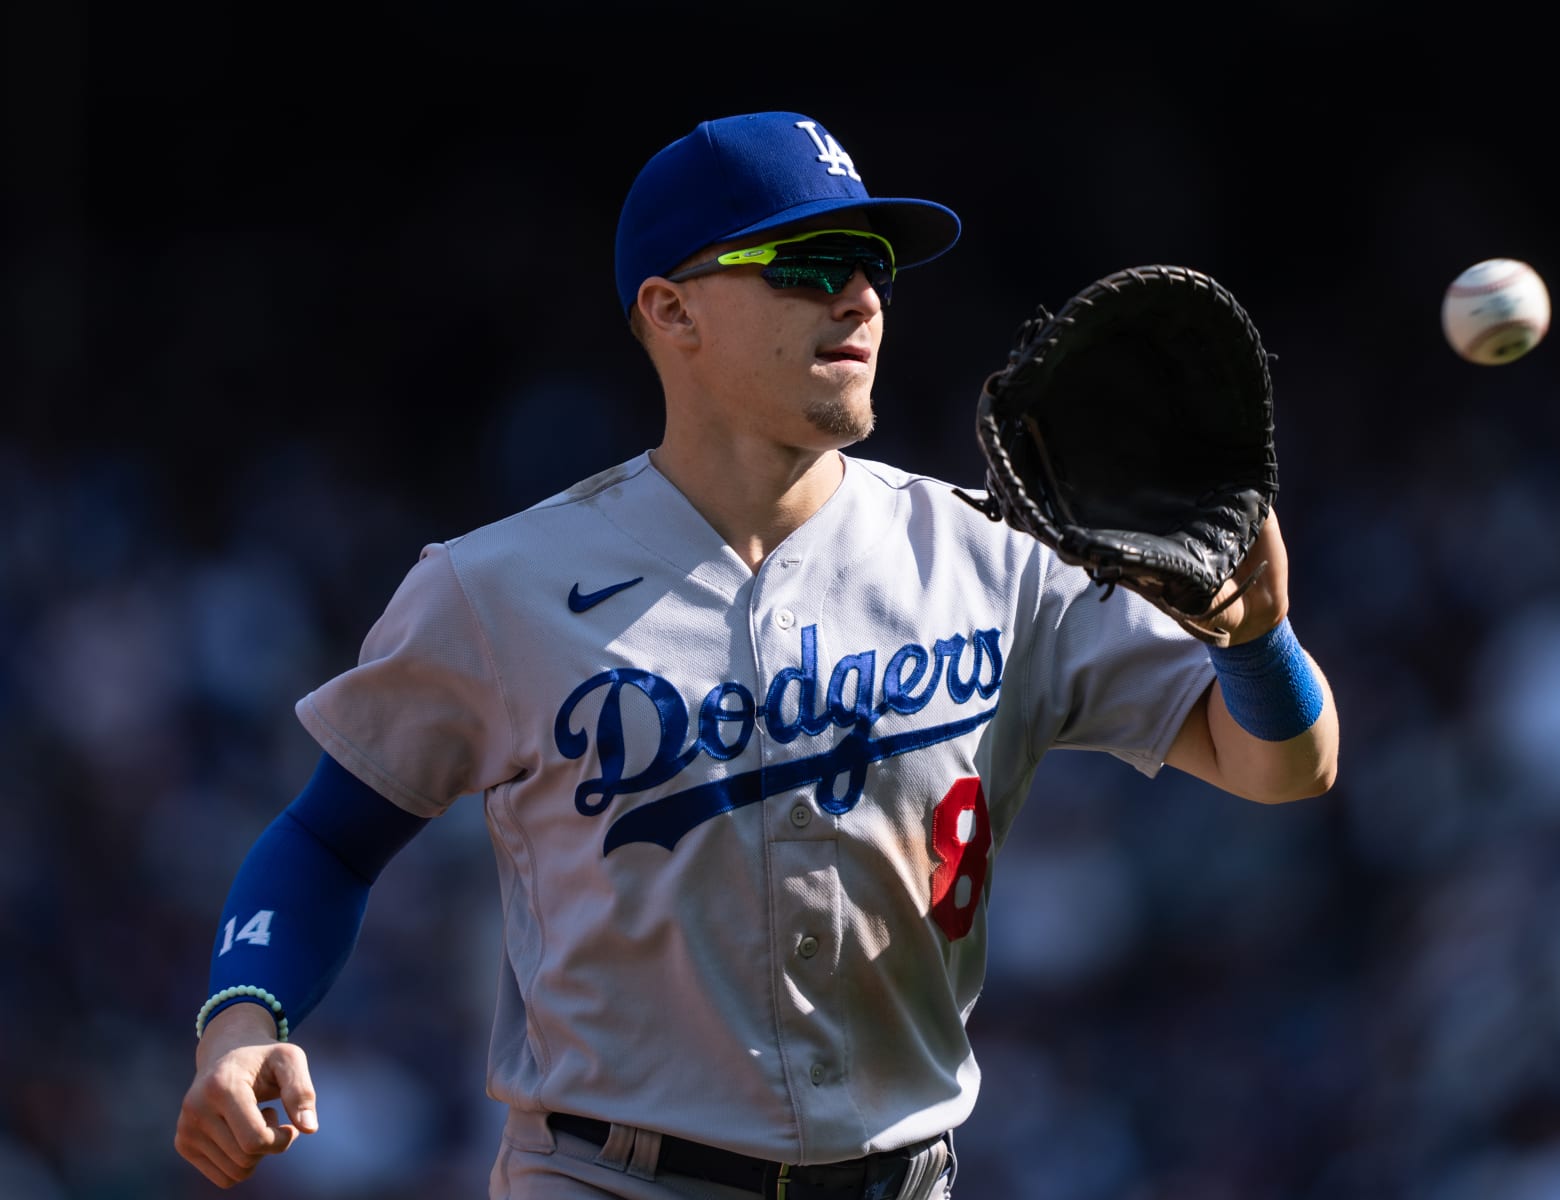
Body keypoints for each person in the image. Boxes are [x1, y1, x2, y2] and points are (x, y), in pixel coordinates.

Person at [173, 109, 1339, 1200]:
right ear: (672, 312)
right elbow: (329, 835)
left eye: (872, 262)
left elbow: (1280, 765)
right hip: (608, 1176)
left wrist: (1257, 639)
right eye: (808, 262)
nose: (859, 296)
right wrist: (242, 1023)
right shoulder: (497, 590)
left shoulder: (996, 554)